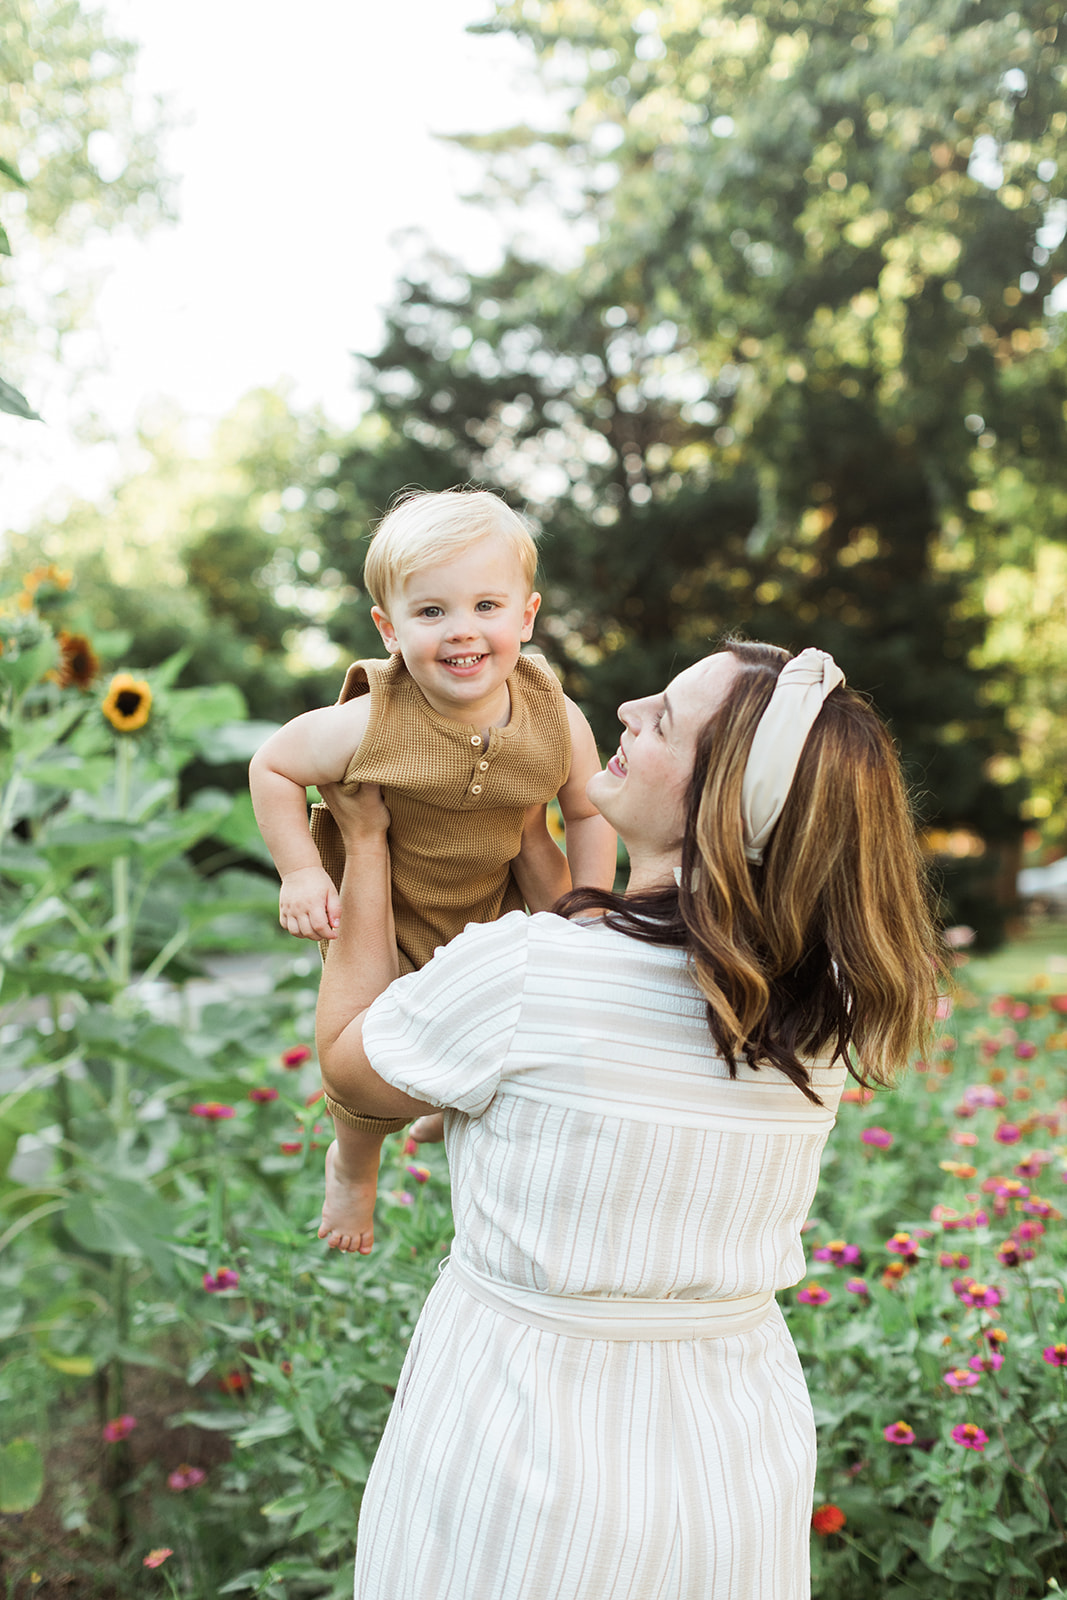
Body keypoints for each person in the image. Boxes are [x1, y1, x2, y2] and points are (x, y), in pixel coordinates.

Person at [314, 639, 941, 1600]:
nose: (627, 709)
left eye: (666, 719)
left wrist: (362, 844)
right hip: (736, 1446)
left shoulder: (527, 974)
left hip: (521, 1435)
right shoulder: (823, 1014)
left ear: (720, 805)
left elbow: (352, 1068)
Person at [248, 488, 617, 1252]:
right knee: (367, 1043)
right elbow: (274, 764)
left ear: (526, 615)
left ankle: (443, 1106)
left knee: (534, 1005)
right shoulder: (374, 720)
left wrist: (591, 906)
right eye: (431, 613)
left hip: (493, 905)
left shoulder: (555, 715)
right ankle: (353, 1167)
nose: (462, 632)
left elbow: (585, 810)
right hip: (386, 912)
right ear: (388, 628)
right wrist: (298, 873)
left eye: (486, 605)